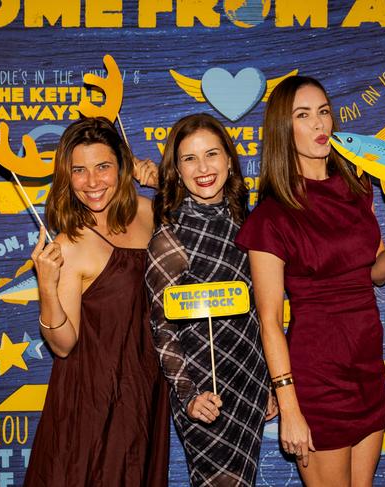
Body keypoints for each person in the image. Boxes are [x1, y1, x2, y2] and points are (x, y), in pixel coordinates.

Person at [235, 76, 385, 487]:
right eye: (303, 115)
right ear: (283, 131)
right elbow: (268, 321)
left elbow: (372, 275)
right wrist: (289, 407)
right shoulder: (271, 217)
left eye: (323, 111)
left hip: (366, 367)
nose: (319, 124)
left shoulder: (357, 187)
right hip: (318, 377)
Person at [24, 116, 169, 487]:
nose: (92, 182)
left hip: (146, 388)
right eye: (79, 170)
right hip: (91, 398)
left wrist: (164, 184)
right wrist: (46, 286)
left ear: (121, 166)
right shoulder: (69, 243)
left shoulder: (149, 212)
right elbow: (62, 344)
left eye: (103, 167)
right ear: (66, 176)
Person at [145, 113, 276, 486]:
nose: (203, 168)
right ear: (176, 169)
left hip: (249, 380)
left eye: (212, 154)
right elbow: (161, 327)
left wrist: (269, 381)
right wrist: (187, 395)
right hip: (204, 391)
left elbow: (258, 312)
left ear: (230, 161)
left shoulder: (246, 225)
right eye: (189, 158)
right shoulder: (169, 239)